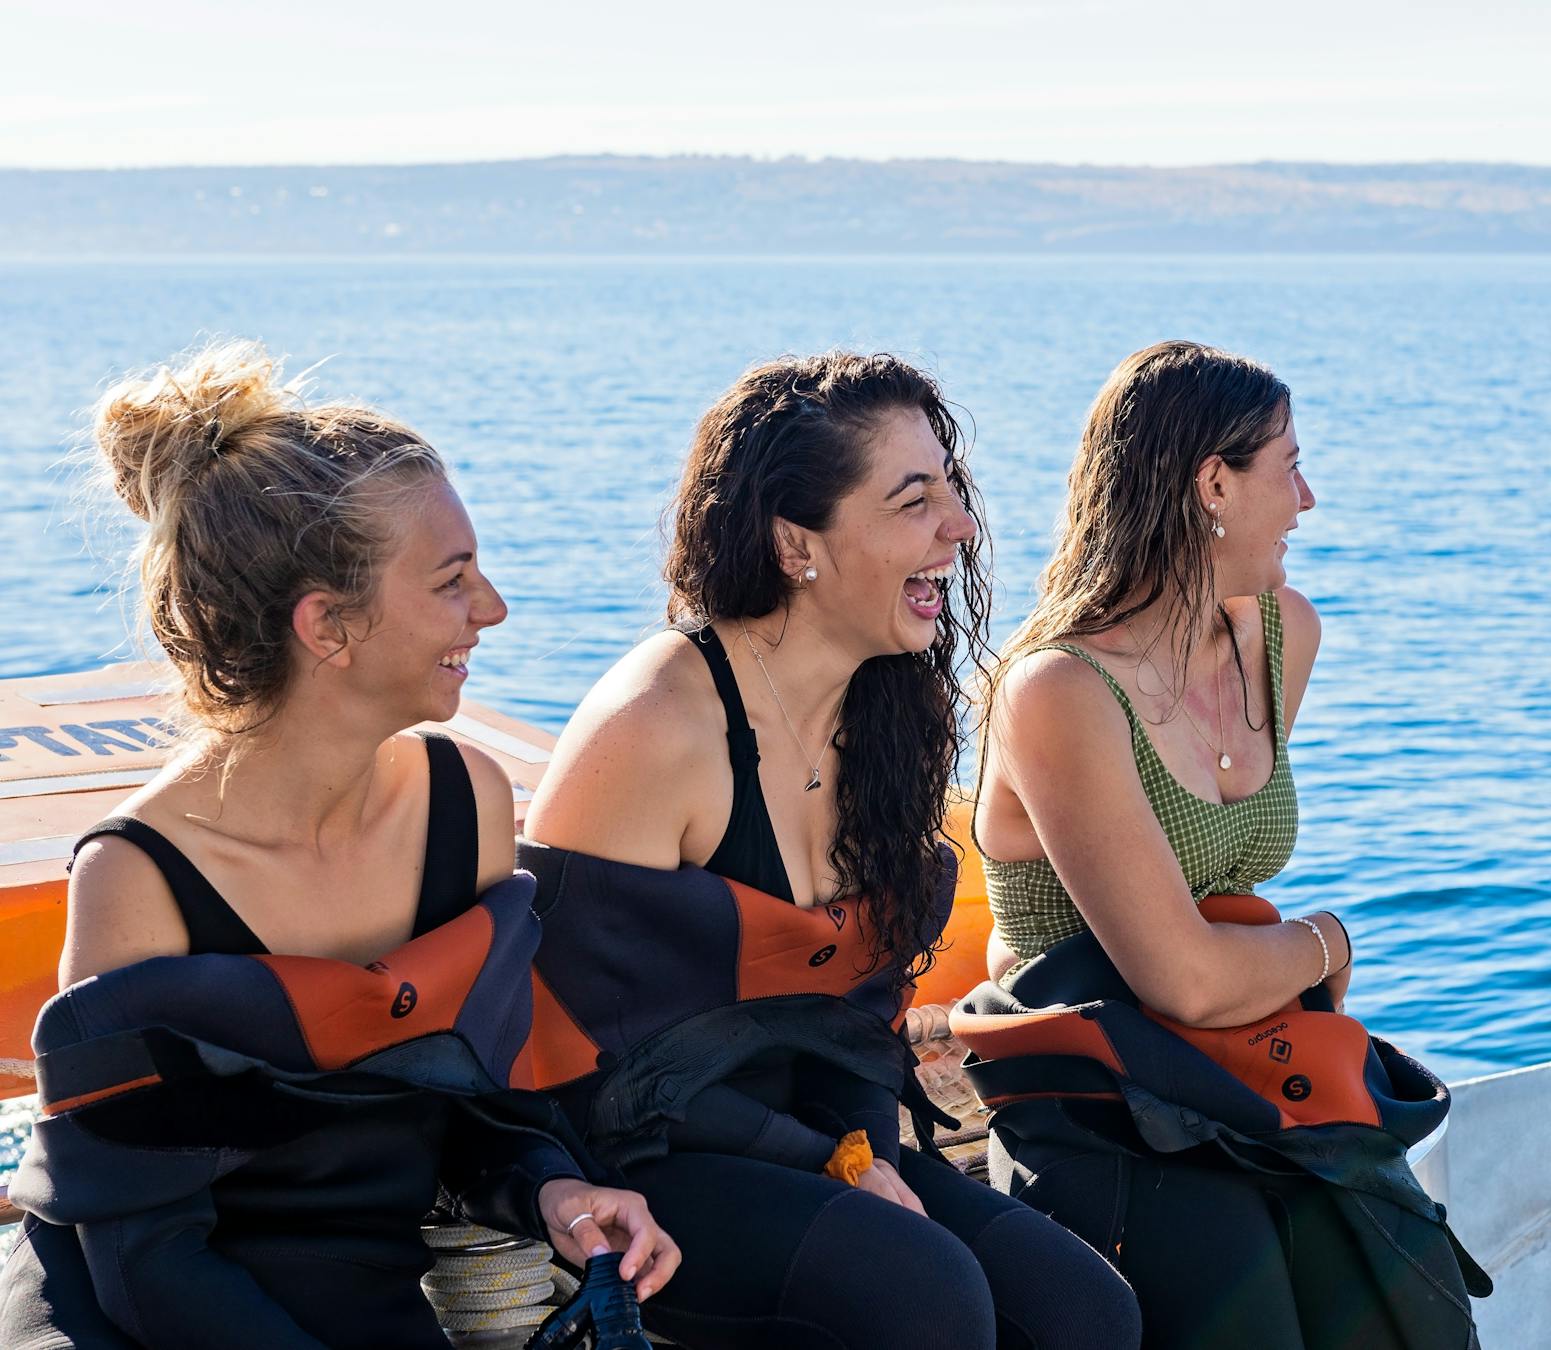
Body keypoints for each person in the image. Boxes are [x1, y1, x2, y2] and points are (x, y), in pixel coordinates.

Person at [0, 342, 677, 1349]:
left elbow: (481, 1100)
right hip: (139, 1312)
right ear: (328, 625)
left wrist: (555, 1190)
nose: (491, 610)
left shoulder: (468, 805)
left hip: (359, 1286)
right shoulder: (137, 878)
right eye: (453, 581)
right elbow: (145, 1258)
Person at [522, 353, 1141, 1350]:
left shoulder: (893, 711)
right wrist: (842, 1161)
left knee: (1086, 1311)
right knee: (922, 1292)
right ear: (794, 542)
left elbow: (861, 1016)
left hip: (818, 1145)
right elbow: (589, 1071)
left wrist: (858, 1151)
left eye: (954, 489)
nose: (962, 527)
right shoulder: (658, 723)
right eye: (914, 500)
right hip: (639, 1158)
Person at [968, 340, 1485, 1349]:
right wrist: (1326, 943)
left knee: (1413, 1296)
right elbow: (1185, 982)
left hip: (1230, 1065)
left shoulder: (1284, 635)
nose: (1307, 498)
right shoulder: (1059, 690)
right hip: (1097, 1085)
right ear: (1214, 483)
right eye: (1287, 465)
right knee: (1244, 1289)